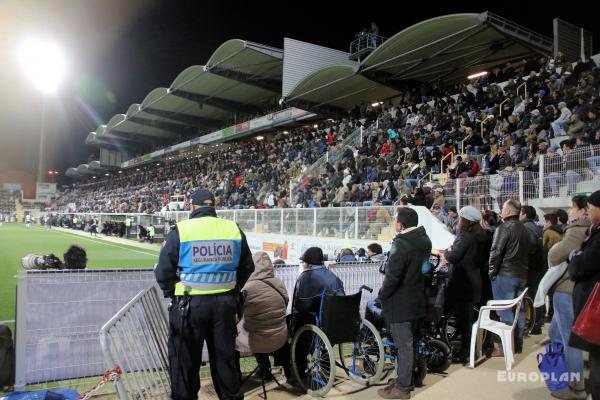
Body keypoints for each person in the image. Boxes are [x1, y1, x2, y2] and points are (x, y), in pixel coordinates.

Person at [155, 188, 255, 400]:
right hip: (225, 306)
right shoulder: (232, 229)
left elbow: (163, 270)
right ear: (213, 206)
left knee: (185, 362)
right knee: (225, 360)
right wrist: (232, 288)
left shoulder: (182, 230)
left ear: (192, 206)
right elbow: (247, 266)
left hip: (189, 307)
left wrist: (172, 291)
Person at [377, 207, 432, 399]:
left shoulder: (400, 245)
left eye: (395, 220)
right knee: (412, 342)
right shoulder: (425, 240)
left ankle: (403, 387)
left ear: (401, 224)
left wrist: (382, 294)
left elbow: (393, 277)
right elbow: (426, 269)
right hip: (418, 300)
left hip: (401, 303)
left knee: (404, 345)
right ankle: (407, 377)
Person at [546, 195, 589, 399]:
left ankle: (576, 386)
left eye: (572, 207)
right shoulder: (586, 230)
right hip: (572, 289)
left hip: (566, 290)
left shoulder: (577, 230)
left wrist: (555, 248)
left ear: (582, 211)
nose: (569, 211)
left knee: (568, 339)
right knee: (555, 334)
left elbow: (555, 256)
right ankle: (562, 373)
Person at [235, 252, 290, 380]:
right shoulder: (279, 283)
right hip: (279, 340)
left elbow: (237, 313)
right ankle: (276, 369)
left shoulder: (245, 288)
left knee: (232, 336)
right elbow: (285, 304)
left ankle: (235, 377)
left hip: (255, 341)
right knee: (261, 329)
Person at [443, 206, 486, 363]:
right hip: (475, 281)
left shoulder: (465, 237)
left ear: (464, 220)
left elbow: (454, 256)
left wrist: (445, 253)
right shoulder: (481, 236)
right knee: (468, 319)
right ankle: (469, 349)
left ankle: (465, 351)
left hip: (463, 283)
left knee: (463, 320)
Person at [568, 190, 600, 400]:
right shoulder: (593, 231)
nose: (588, 212)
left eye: (590, 208)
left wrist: (575, 256)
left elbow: (579, 265)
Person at [488, 199, 530, 356]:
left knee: (504, 312)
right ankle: (517, 345)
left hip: (505, 276)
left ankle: (505, 348)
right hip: (521, 275)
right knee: (519, 311)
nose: (501, 210)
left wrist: (491, 272)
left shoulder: (504, 228)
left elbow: (496, 252)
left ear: (508, 212)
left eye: (503, 208)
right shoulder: (525, 229)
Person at [520, 205, 545, 335]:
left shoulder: (525, 228)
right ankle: (537, 322)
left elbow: (529, 248)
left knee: (530, 296)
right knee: (535, 294)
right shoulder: (537, 227)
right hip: (538, 266)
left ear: (524, 215)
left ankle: (534, 324)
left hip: (531, 267)